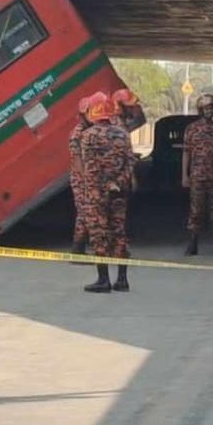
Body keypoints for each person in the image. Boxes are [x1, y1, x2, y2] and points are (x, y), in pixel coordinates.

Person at [80, 92, 137, 293]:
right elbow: (130, 163)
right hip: (120, 192)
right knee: (119, 233)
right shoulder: (123, 134)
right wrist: (117, 183)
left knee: (99, 234)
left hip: (97, 193)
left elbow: (91, 168)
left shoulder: (88, 136)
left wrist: (102, 188)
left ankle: (103, 280)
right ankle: (122, 280)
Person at [182, 94, 213, 255]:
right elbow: (186, 153)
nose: (209, 111)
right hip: (197, 176)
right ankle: (192, 243)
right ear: (200, 110)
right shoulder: (192, 129)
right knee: (196, 211)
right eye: (206, 108)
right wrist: (184, 176)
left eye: (211, 108)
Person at [69, 95, 94, 256]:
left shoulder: (90, 130)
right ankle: (77, 249)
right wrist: (87, 181)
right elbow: (77, 161)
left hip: (88, 177)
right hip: (81, 179)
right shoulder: (77, 134)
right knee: (84, 213)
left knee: (88, 212)